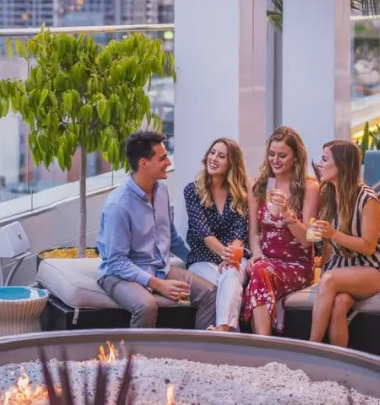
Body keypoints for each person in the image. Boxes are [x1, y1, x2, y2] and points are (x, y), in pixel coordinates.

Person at [97, 130, 216, 329]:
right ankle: (140, 351)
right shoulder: (118, 206)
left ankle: (201, 346)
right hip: (118, 275)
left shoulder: (162, 190)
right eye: (162, 158)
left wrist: (200, 260)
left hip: (160, 269)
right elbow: (117, 261)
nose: (168, 162)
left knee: (209, 292)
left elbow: (171, 238)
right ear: (143, 163)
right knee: (146, 306)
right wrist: (157, 284)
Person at [309, 140, 380, 347]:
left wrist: (333, 234)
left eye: (324, 159)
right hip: (341, 265)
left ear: (341, 164)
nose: (319, 164)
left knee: (328, 280)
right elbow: (328, 243)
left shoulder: (368, 200)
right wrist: (320, 260)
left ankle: (311, 348)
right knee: (339, 304)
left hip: (372, 267)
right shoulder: (328, 193)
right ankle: (339, 361)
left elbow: (368, 246)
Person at [243, 126, 319, 336]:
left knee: (259, 273)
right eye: (271, 154)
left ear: (295, 158)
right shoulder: (258, 185)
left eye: (282, 156)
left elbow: (308, 240)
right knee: (259, 270)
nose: (275, 160)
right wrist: (257, 253)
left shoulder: (309, 188)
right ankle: (264, 341)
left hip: (297, 264)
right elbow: (253, 231)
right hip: (266, 260)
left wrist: (287, 213)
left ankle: (262, 342)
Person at [183, 138, 250, 332]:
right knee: (225, 284)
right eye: (212, 153)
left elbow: (240, 232)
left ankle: (221, 331)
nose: (213, 158)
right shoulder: (193, 190)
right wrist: (225, 254)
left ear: (231, 163)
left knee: (231, 274)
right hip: (202, 259)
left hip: (235, 257)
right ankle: (227, 334)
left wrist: (230, 258)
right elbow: (203, 232)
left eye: (221, 156)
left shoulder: (241, 194)